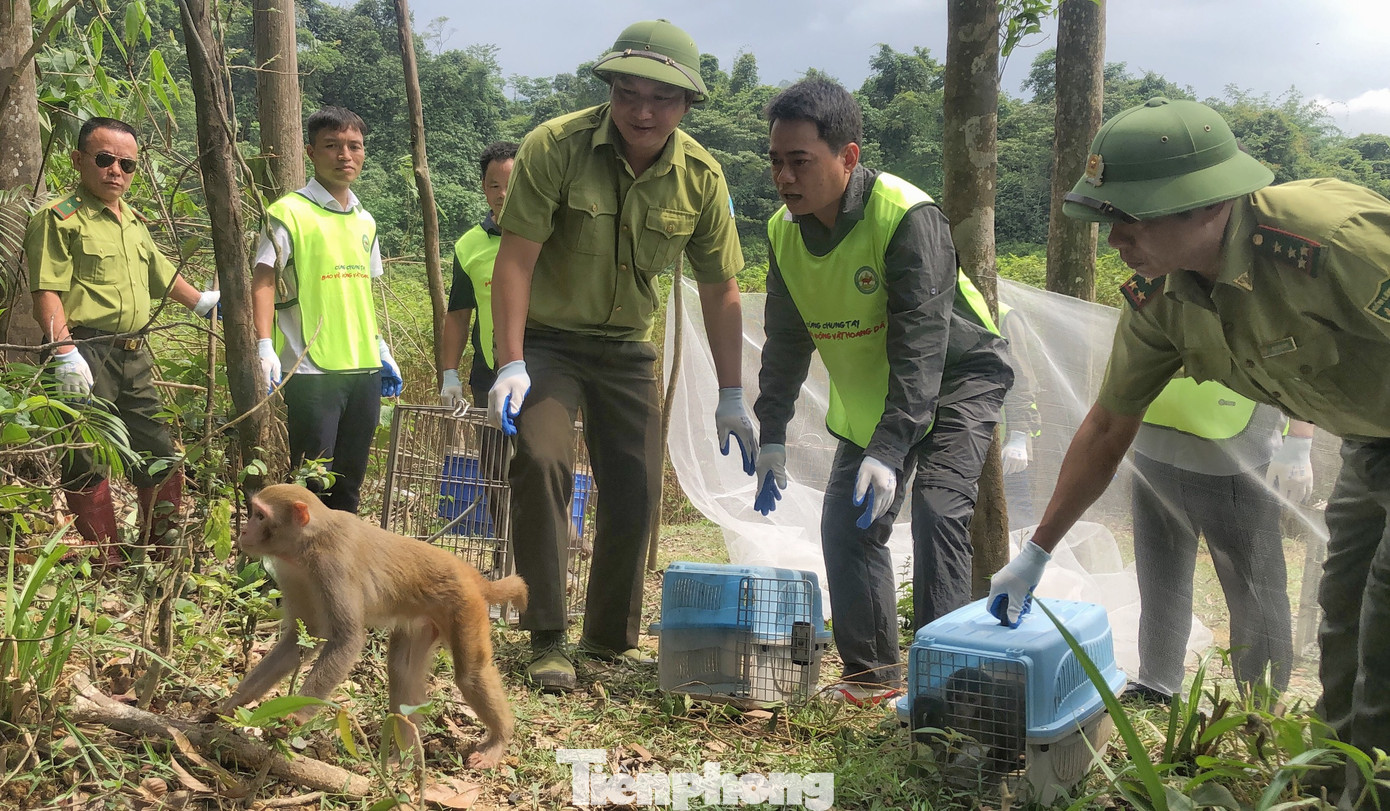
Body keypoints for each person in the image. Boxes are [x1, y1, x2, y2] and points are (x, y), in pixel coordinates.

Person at [985, 97, 1390, 805]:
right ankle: (1333, 781)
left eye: (1131, 217)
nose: (1115, 240)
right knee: (1345, 608)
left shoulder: (1335, 246)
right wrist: (1039, 550)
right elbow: (1109, 427)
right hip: (1371, 437)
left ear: (1203, 206)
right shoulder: (1161, 299)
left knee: (1387, 631)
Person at [488, 19, 756, 693]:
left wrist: (732, 391)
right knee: (543, 459)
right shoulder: (556, 146)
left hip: (627, 348)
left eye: (663, 99)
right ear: (609, 89)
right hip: (549, 341)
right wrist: (511, 361)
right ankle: (548, 634)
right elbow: (515, 260)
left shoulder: (700, 176)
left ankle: (606, 639)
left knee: (636, 486)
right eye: (628, 93)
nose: (643, 110)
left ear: (688, 105)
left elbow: (722, 286)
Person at [752, 78, 1014, 704]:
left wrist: (891, 449)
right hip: (876, 392)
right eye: (776, 162)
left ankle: (943, 684)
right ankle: (872, 677)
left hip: (957, 379)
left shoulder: (905, 214)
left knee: (937, 511)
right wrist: (770, 435)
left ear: (848, 156)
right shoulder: (784, 232)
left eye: (801, 162)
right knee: (847, 524)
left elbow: (923, 342)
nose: (785, 178)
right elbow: (786, 342)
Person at [27, 116, 220, 568]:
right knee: (86, 454)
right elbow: (46, 291)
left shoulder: (130, 219)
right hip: (83, 352)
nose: (116, 170)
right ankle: (106, 564)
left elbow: (161, 274)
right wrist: (63, 351)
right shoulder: (59, 220)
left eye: (127, 164)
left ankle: (160, 554)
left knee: (158, 450)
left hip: (133, 353)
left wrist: (203, 303)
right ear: (79, 161)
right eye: (105, 159)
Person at [251, 107, 401, 515]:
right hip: (312, 369)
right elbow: (263, 278)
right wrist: (264, 345)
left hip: (364, 368)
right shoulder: (288, 213)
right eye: (332, 146)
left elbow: (363, 291)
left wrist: (380, 347)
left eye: (354, 146)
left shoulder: (365, 220)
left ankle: (338, 573)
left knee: (350, 483)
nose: (345, 155)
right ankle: (293, 571)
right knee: (311, 484)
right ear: (311, 152)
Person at [1127, 376, 1309, 702]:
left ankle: (1263, 704)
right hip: (1154, 438)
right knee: (1159, 575)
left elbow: (1307, 349)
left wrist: (1301, 436)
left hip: (1242, 448)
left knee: (1254, 587)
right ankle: (1157, 686)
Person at [439, 141, 517, 410]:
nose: (503, 194)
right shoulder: (468, 246)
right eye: (494, 185)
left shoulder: (549, 237)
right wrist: (450, 374)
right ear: (483, 187)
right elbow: (459, 314)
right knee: (492, 452)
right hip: (488, 375)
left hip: (544, 371)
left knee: (540, 452)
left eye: (512, 184)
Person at [997, 301, 1043, 528]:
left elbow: (1022, 377)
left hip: (1008, 439)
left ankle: (1025, 562)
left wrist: (1018, 435)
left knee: (1017, 513)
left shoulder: (1004, 314)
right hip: (972, 435)